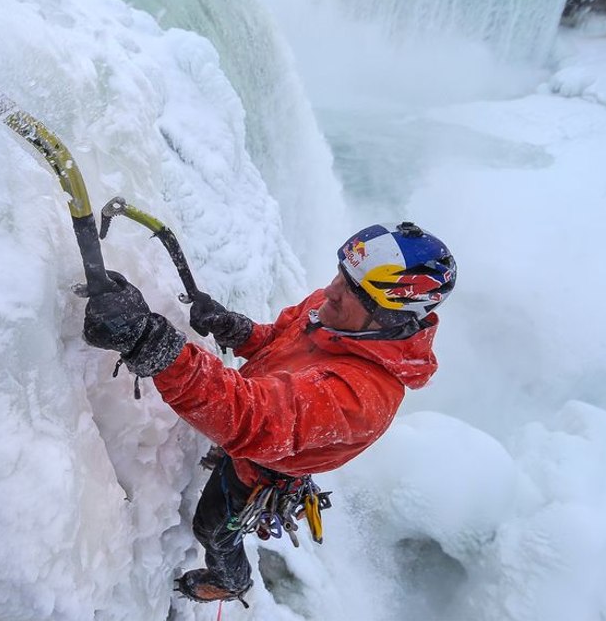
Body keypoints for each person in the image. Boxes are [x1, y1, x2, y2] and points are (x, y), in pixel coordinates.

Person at [82, 221, 456, 606]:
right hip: (264, 430)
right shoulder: (333, 312)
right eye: (342, 275)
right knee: (221, 491)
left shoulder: (362, 398)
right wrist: (235, 329)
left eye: (353, 290)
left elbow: (252, 417)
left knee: (212, 531)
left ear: (389, 317)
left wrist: (152, 343)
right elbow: (277, 341)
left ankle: (232, 582)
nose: (330, 291)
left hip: (265, 465)